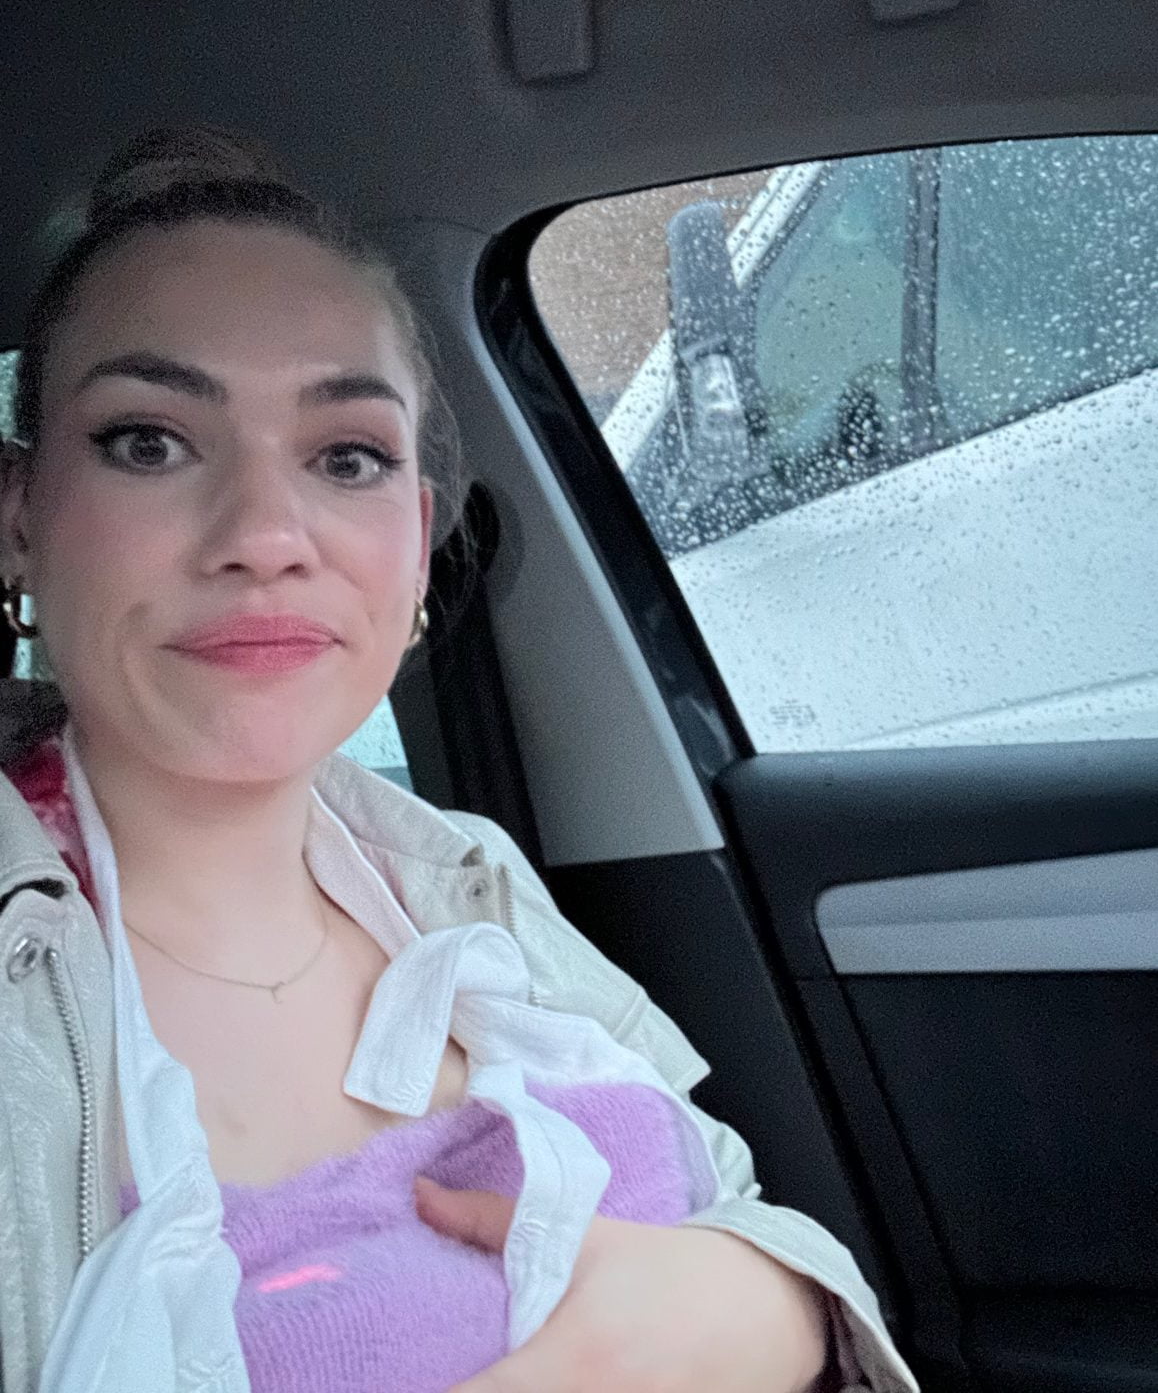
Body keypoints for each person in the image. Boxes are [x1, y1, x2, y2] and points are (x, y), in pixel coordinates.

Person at [0, 127, 918, 1393]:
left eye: (348, 457)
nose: (267, 533)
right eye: (148, 440)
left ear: (418, 536)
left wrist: (767, 1308)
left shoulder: (461, 874)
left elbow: (740, 1207)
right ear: (18, 519)